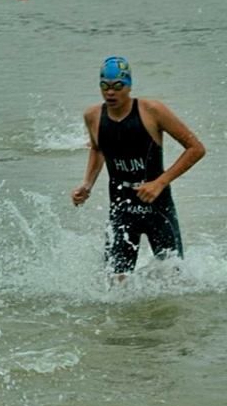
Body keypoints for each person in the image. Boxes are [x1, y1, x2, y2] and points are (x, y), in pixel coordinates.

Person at [71, 56, 205, 279]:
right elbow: (97, 149)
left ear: (129, 85)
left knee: (175, 278)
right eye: (104, 86)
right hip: (121, 207)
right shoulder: (92, 116)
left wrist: (160, 182)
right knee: (115, 282)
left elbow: (196, 148)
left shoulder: (152, 111)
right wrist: (87, 184)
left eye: (117, 86)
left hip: (157, 206)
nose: (110, 93)